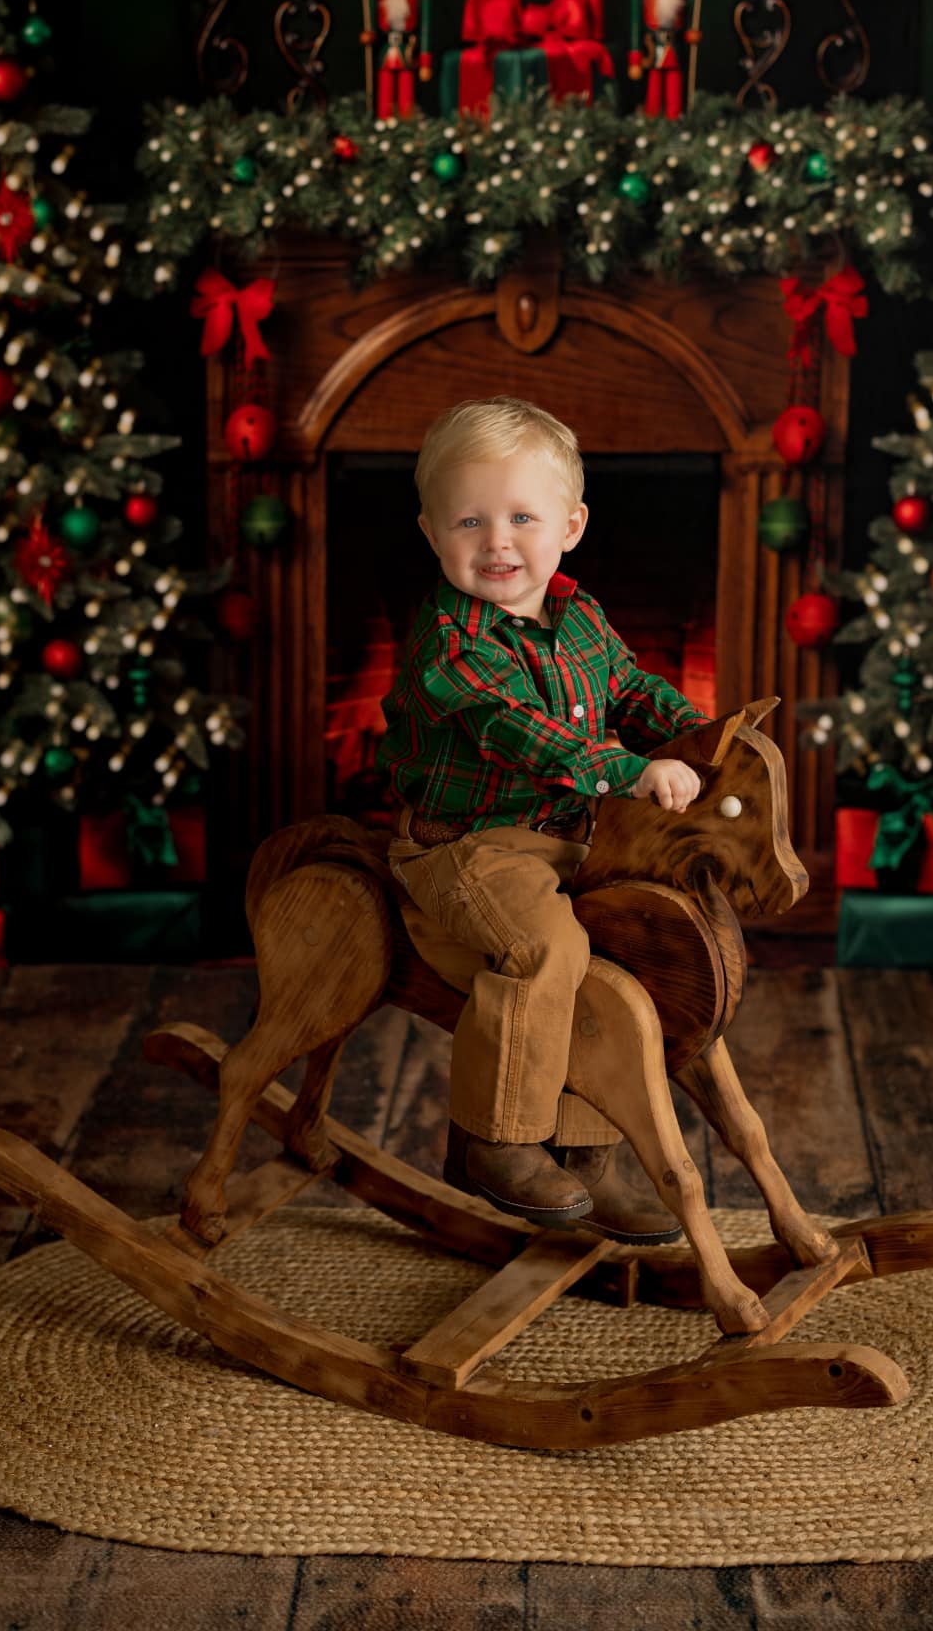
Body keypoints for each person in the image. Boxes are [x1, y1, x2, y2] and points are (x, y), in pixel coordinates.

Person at [377, 396, 706, 1244]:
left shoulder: (579, 615)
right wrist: (631, 771)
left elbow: (631, 691)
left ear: (571, 525)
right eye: (470, 520)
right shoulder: (450, 640)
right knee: (546, 950)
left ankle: (581, 1157)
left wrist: (696, 737)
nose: (497, 542)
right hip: (468, 849)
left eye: (523, 516)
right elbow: (519, 731)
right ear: (430, 532)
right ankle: (495, 1138)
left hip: (565, 840)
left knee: (622, 951)